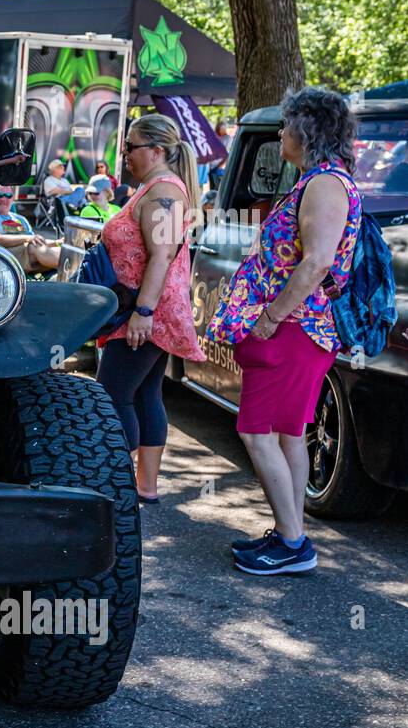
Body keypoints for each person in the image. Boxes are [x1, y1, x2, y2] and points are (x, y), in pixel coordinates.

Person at [207, 88, 363, 576]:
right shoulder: (319, 181)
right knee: (289, 435)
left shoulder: (325, 185)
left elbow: (316, 261)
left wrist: (271, 317)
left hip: (291, 330)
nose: (280, 134)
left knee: (256, 433)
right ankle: (290, 533)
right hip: (298, 331)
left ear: (307, 130)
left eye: (286, 124)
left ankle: (294, 543)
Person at [95, 113, 206, 502]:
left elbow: (161, 257)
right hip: (146, 311)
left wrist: (143, 314)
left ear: (156, 151)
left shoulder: (164, 192)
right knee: (144, 395)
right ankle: (143, 487)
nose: (124, 154)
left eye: (130, 146)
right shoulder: (154, 189)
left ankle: (116, 488)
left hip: (145, 314)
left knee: (113, 395)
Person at [0, 185, 60, 271]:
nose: (4, 199)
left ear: (13, 199)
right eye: (0, 195)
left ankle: (71, 272)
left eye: (8, 196)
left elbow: (36, 241)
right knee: (33, 248)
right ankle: (71, 271)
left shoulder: (20, 219)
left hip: (28, 255)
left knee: (60, 248)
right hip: (0, 258)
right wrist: (28, 238)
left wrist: (57, 242)